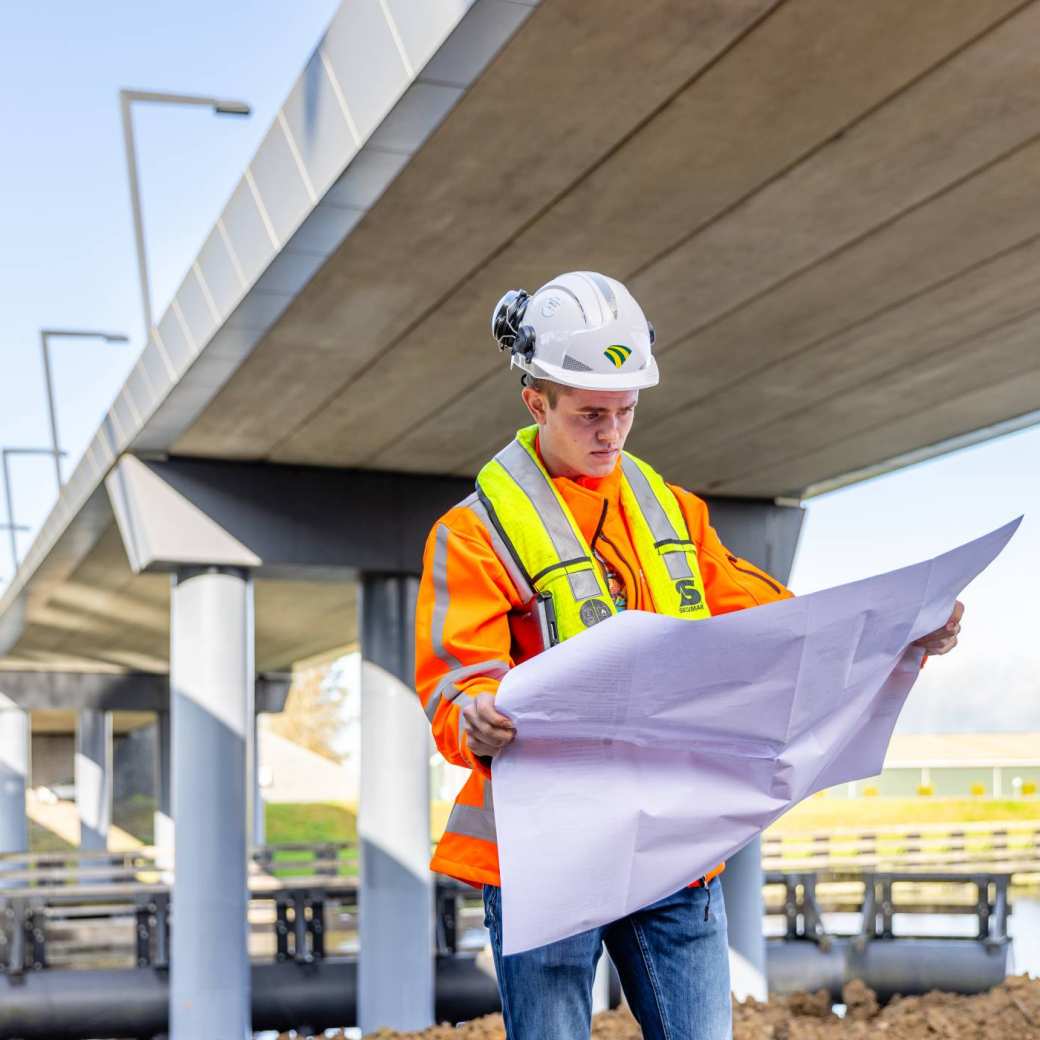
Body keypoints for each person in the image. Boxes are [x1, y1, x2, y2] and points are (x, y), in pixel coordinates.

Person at [414, 271, 964, 1040]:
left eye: (626, 411)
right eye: (590, 414)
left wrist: (901, 630)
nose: (611, 433)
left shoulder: (670, 510)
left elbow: (776, 623)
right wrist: (472, 713)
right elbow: (455, 679)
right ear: (535, 401)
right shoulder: (474, 534)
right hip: (544, 854)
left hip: (668, 846)